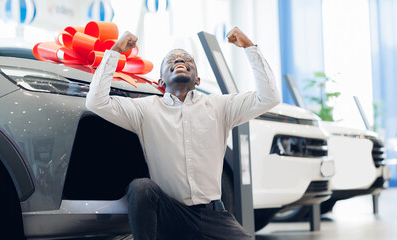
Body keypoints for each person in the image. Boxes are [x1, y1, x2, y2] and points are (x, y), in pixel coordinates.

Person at [86, 27, 280, 240]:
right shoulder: (144, 109)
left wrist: (250, 48)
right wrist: (115, 51)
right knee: (141, 188)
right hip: (170, 215)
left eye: (187, 59)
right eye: (171, 60)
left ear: (197, 80)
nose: (180, 59)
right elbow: (96, 101)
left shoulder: (220, 105)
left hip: (212, 216)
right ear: (161, 82)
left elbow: (269, 97)